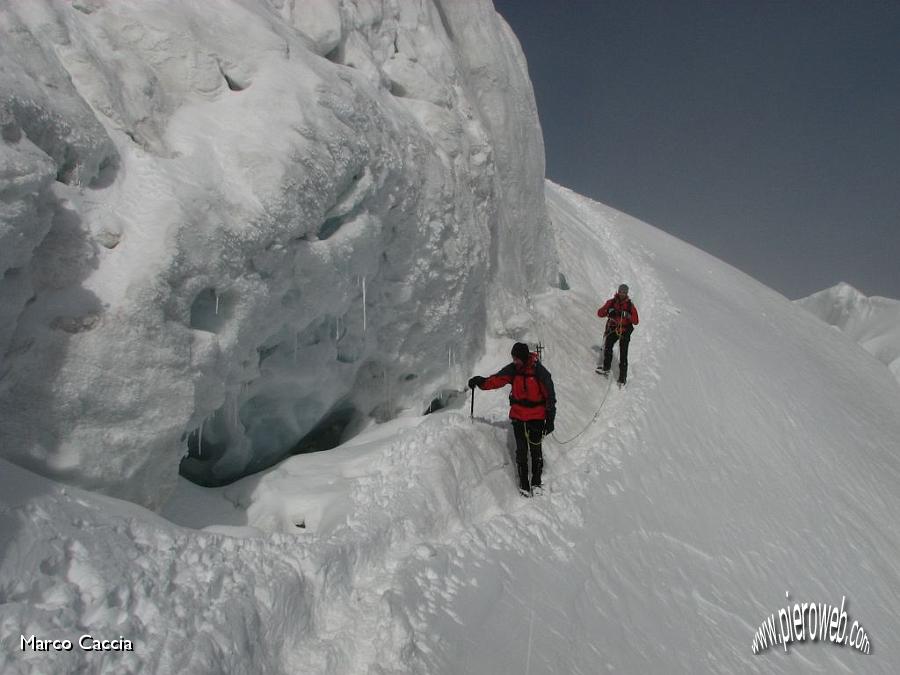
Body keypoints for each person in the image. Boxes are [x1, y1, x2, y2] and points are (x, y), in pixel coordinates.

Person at [468, 342, 556, 498]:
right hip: (518, 416)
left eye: (517, 359)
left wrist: (550, 419)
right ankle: (524, 483)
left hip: (536, 417)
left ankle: (536, 481)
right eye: (513, 358)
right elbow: (496, 380)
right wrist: (481, 382)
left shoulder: (539, 372)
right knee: (521, 451)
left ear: (523, 357)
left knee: (535, 450)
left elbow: (550, 396)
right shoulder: (513, 370)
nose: (515, 362)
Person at [597, 284, 639, 385]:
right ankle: (606, 368)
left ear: (627, 293)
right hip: (614, 328)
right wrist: (608, 311)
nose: (622, 294)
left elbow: (636, 321)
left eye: (624, 292)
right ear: (618, 291)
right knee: (608, 346)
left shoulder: (630, 305)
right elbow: (599, 313)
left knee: (623, 354)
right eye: (621, 292)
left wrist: (628, 315)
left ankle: (622, 378)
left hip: (625, 330)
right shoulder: (611, 302)